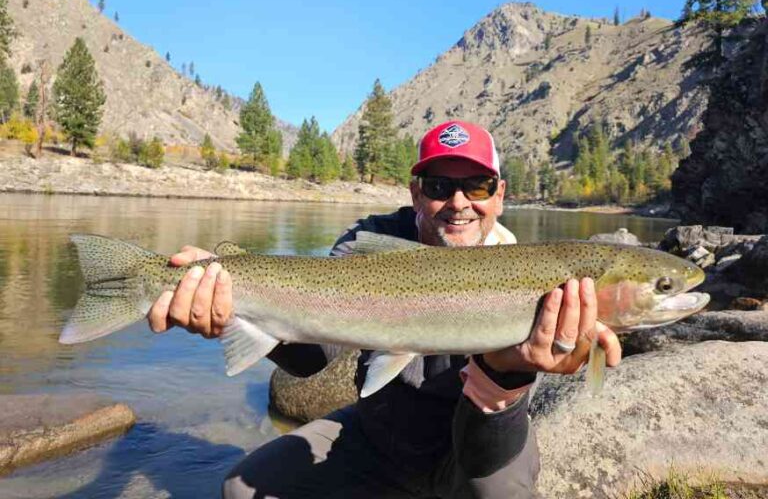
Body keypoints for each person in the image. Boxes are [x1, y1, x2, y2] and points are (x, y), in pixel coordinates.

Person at [147, 120, 622, 498]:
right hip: (381, 436)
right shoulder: (367, 243)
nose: (458, 204)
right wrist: (236, 311)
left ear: (499, 195)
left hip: (471, 445)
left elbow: (487, 448)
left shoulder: (544, 281)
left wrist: (507, 375)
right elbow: (317, 355)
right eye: (439, 185)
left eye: (477, 186)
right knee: (242, 489)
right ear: (415, 191)